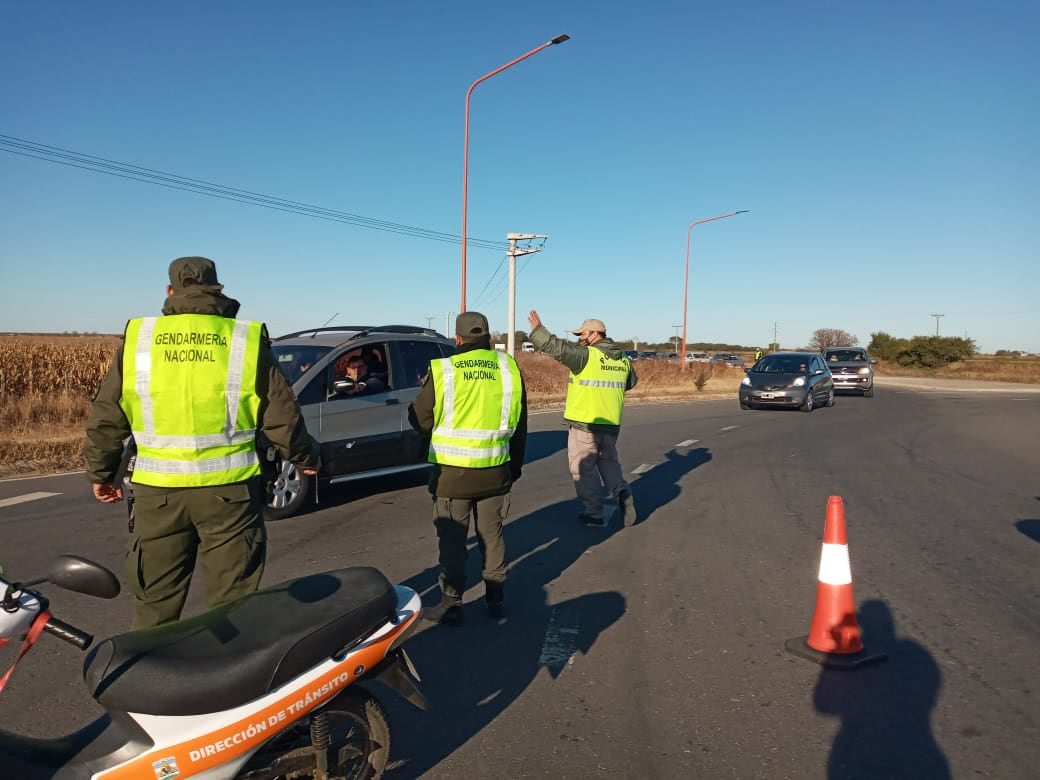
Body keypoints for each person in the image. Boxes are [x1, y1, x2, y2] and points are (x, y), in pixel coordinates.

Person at [84, 256, 321, 630]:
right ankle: (230, 683)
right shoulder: (243, 340)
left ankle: (151, 680)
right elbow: (283, 415)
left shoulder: (140, 340)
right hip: (230, 495)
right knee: (233, 606)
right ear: (218, 289)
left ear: (169, 291)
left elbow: (107, 415)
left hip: (157, 495)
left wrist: (101, 472)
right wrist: (306, 458)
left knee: (155, 606)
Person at [408, 311, 528, 624]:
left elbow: (419, 416)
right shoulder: (508, 368)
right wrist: (514, 468)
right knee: (493, 535)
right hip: (496, 470)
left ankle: (451, 602)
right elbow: (520, 425)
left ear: (458, 339)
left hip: (452, 475)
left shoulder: (446, 370)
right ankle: (495, 597)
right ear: (487, 337)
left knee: (452, 539)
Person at [527, 311, 637, 527]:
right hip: (611, 423)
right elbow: (631, 382)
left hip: (585, 422)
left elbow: (558, 349)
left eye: (583, 334)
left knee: (583, 467)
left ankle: (594, 512)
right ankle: (621, 490)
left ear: (596, 334)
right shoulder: (623, 359)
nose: (580, 338)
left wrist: (539, 331)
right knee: (608, 462)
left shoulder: (587, 355)